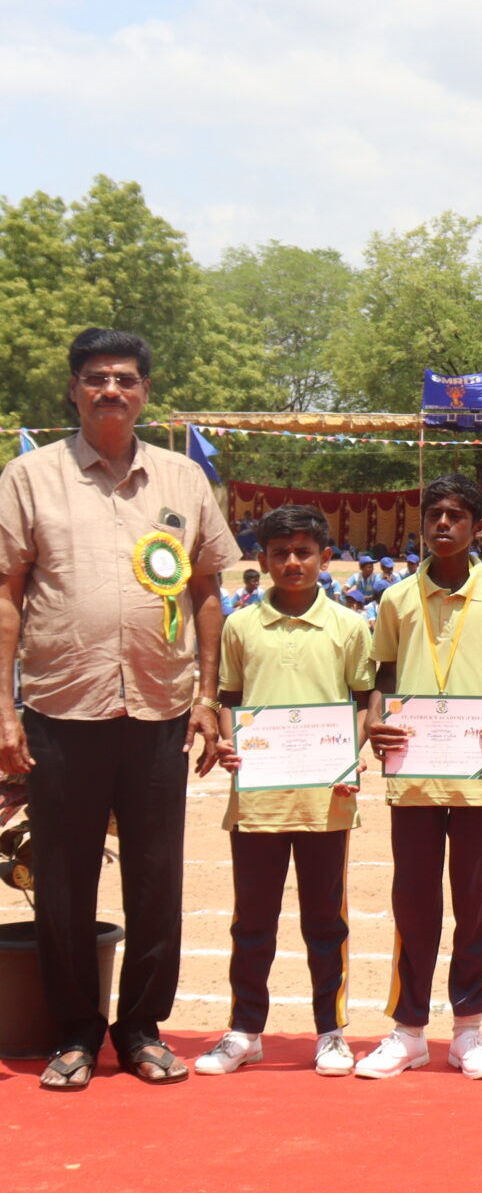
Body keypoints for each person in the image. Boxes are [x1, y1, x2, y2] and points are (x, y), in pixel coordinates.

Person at [0, 327, 237, 1089]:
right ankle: (74, 1031)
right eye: (97, 377)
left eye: (126, 379)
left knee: (157, 878)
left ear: (144, 392)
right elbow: (7, 594)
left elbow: (207, 591)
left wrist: (208, 696)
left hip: (160, 709)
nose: (111, 389)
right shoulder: (28, 477)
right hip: (61, 707)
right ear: (73, 389)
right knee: (63, 881)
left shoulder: (182, 479)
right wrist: (4, 710)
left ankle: (140, 1028)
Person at [355, 475, 482, 1080]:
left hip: (478, 772)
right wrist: (375, 720)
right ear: (423, 523)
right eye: (434, 515)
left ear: (479, 528)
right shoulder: (396, 599)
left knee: (471, 899)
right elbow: (381, 675)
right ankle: (407, 1031)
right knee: (412, 898)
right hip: (413, 770)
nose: (444, 525)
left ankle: (468, 1029)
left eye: (456, 516)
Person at [195, 505, 374, 1077]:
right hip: (258, 799)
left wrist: (353, 749)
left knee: (326, 923)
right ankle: (245, 1031)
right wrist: (229, 742)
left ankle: (331, 1032)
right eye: (280, 553)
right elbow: (229, 698)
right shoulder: (241, 625)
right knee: (252, 922)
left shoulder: (349, 626)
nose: (292, 562)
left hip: (325, 799)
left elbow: (364, 699)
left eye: (303, 552)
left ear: (326, 558)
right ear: (263, 559)